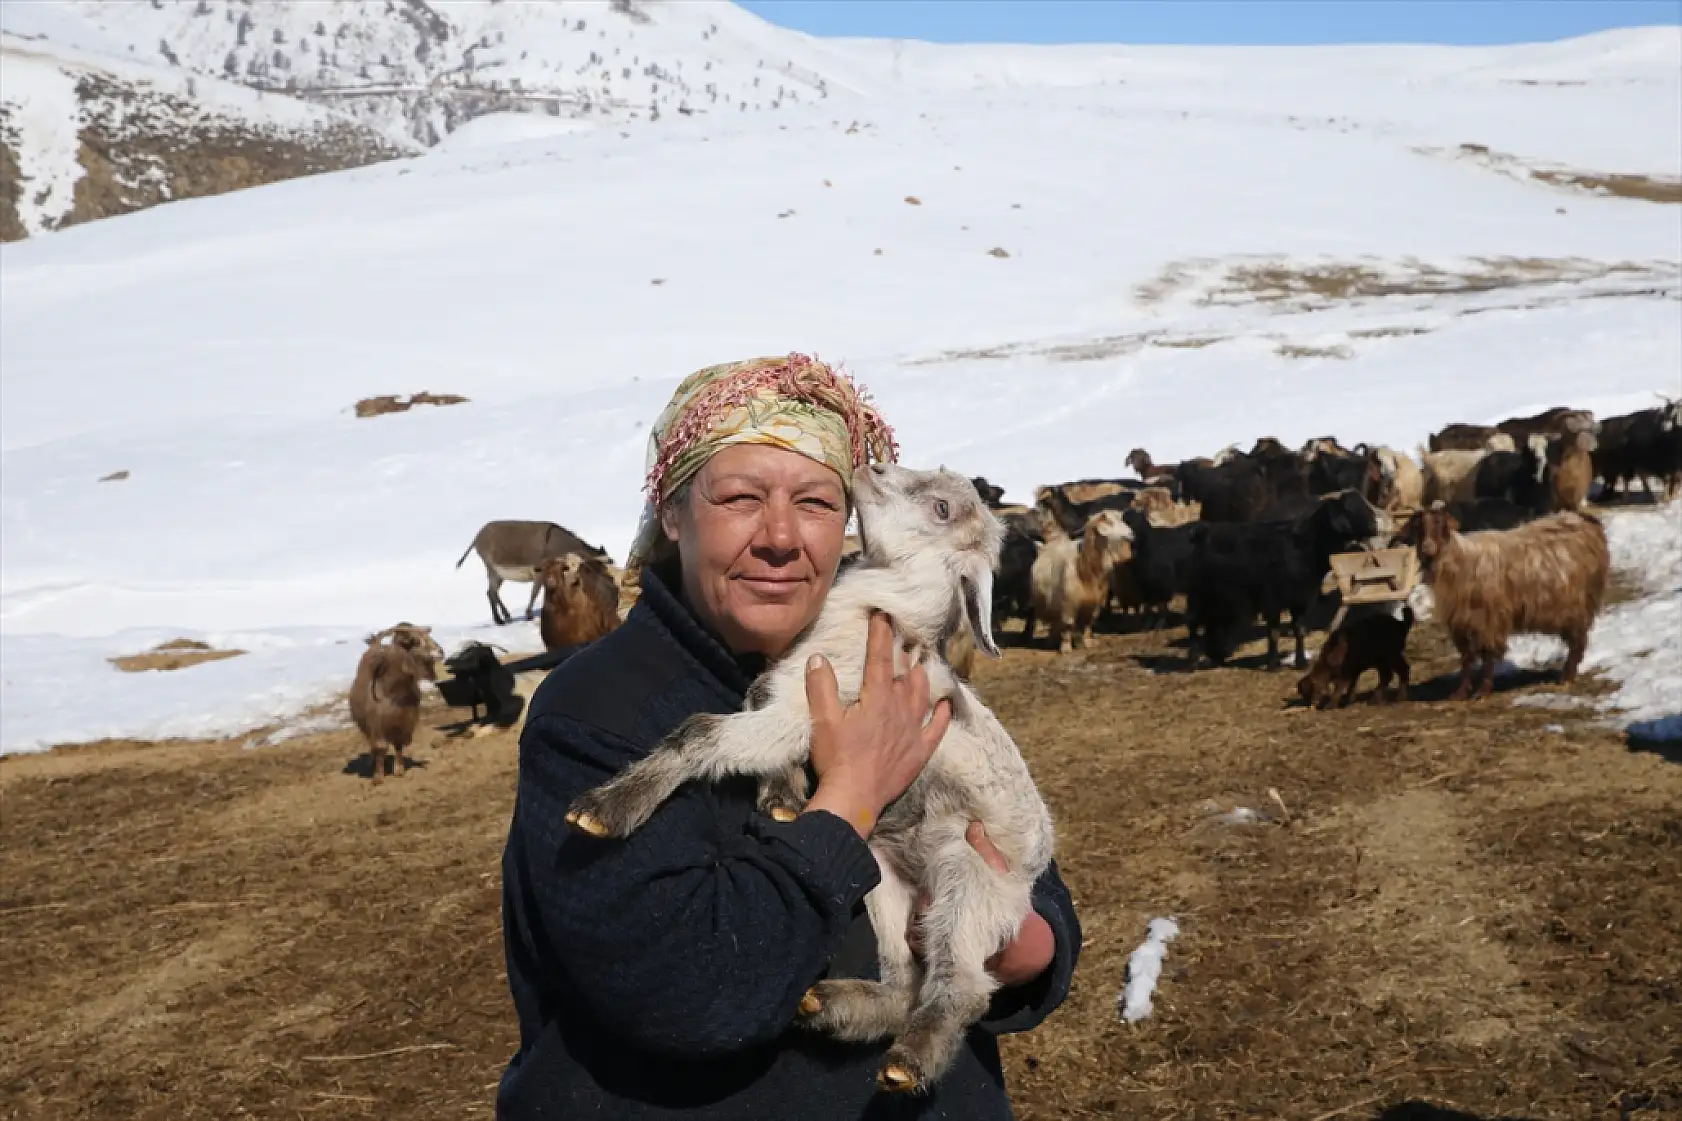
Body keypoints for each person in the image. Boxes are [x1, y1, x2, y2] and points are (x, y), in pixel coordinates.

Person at [497, 354, 1080, 1120]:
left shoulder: (886, 655)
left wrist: (1024, 948)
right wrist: (847, 802)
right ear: (673, 514)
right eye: (740, 497)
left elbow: (1034, 892)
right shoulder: (593, 714)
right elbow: (689, 995)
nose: (779, 537)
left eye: (813, 502)